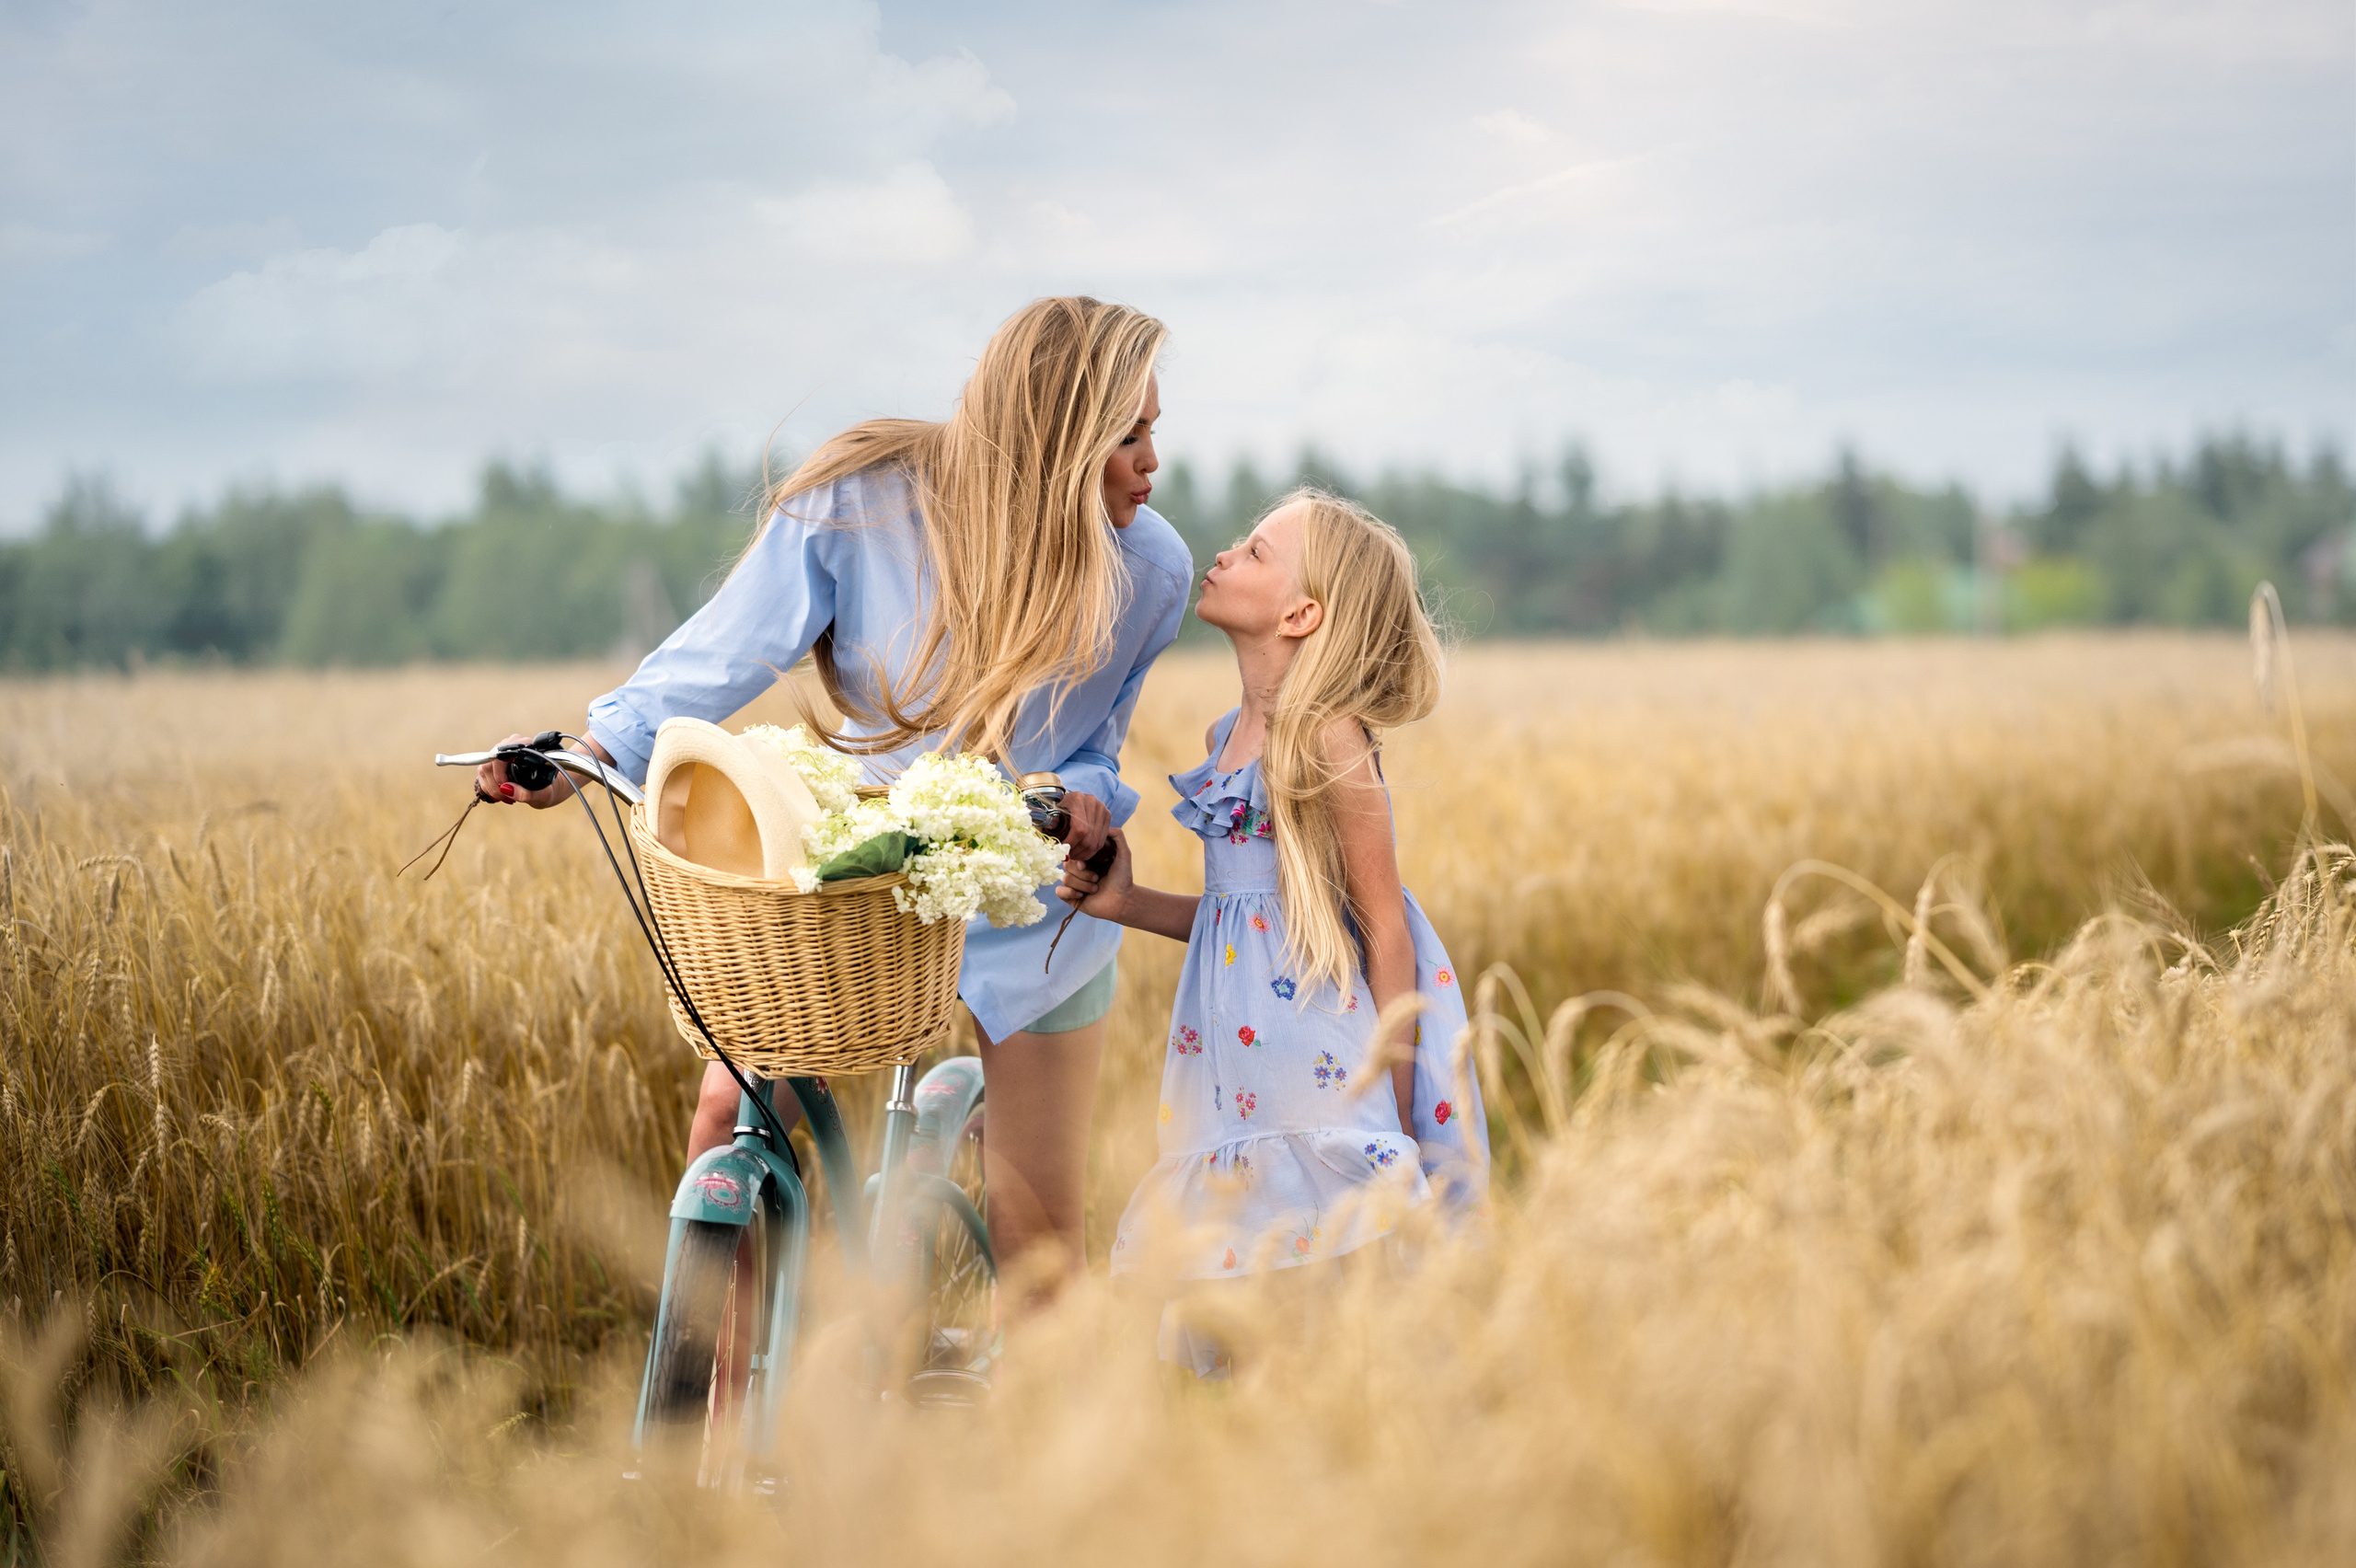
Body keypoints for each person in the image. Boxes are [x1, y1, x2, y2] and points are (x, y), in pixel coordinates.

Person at [478, 296, 1191, 1288]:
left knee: (1041, 1241)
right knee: (727, 1124)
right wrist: (585, 753)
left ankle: (1035, 1440)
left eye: (1153, 431)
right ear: (1058, 439)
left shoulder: (1150, 568)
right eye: (1131, 434)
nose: (1154, 461)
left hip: (1029, 899)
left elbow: (1092, 744)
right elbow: (723, 653)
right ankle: (713, 1428)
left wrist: (1075, 798)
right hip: (848, 883)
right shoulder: (866, 503)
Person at [1055, 487, 1488, 1373]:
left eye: (1255, 552)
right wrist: (1129, 905)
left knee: (1329, 1308)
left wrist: (1393, 1107)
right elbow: (1243, 923)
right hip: (1230, 1080)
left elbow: (1383, 927)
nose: (1223, 556)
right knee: (1241, 1310)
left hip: (1325, 1068)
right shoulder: (1228, 739)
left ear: (1302, 613)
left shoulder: (1328, 739)